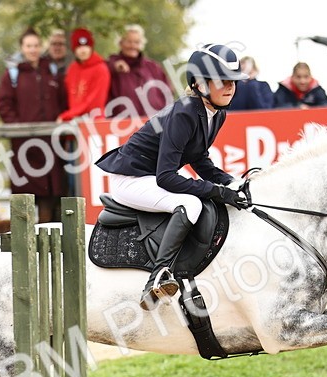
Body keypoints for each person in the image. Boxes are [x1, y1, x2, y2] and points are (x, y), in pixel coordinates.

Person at [95, 44, 251, 310]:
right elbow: (166, 177)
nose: (230, 87)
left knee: (207, 196)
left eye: (233, 81)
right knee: (190, 204)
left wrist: (233, 183)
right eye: (222, 81)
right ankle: (158, 278)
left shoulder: (216, 113)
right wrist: (217, 191)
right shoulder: (184, 112)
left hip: (149, 176)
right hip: (130, 180)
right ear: (201, 84)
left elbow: (199, 160)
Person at [0, 27, 67, 223]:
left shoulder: (51, 71)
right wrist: (19, 128)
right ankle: (24, 237)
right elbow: (4, 104)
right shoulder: (13, 74)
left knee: (50, 192)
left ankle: (46, 232)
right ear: (22, 48)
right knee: (25, 191)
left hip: (51, 142)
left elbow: (63, 101)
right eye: (29, 46)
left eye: (36, 45)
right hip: (24, 144)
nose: (33, 50)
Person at [106, 24, 173, 119]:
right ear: (121, 43)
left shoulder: (153, 67)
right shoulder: (112, 64)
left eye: (137, 42)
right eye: (129, 42)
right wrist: (114, 67)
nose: (133, 46)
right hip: (123, 124)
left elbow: (168, 93)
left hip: (154, 123)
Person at [58, 28, 110, 122]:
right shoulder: (72, 69)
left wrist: (67, 115)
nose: (83, 50)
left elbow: (95, 102)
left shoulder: (100, 68)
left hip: (94, 121)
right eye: (79, 47)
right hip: (74, 121)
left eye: (86, 46)